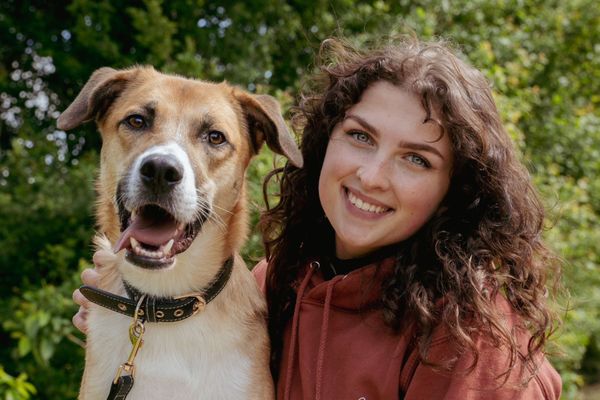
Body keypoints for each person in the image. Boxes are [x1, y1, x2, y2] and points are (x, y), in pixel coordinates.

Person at [73, 36, 562, 399]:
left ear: (455, 188)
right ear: (323, 140)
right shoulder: (274, 287)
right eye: (361, 136)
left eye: (417, 159)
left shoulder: (472, 339)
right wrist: (134, 310)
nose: (371, 176)